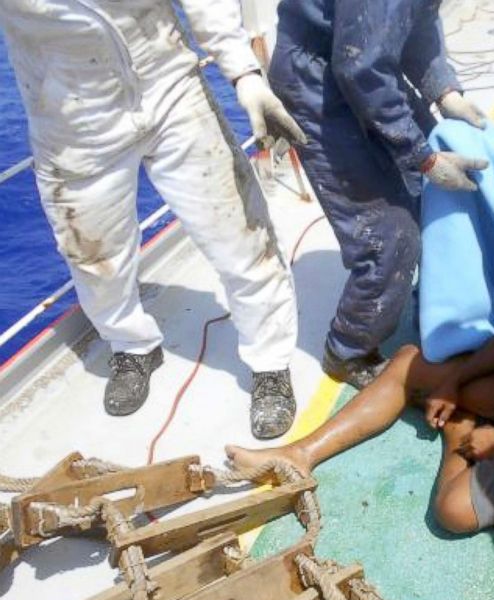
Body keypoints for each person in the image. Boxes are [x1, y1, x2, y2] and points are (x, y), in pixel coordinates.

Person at [226, 190, 494, 533]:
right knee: (410, 363)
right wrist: (455, 380)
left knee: (453, 513)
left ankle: (459, 431)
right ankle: (300, 454)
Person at [0, 0, 304, 439]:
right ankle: (131, 345)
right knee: (94, 259)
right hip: (71, 120)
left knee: (244, 237)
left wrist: (244, 74)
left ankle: (271, 363)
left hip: (170, 88)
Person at [267, 0, 490, 390]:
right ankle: (348, 349)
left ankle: (435, 302)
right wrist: (423, 156)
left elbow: (417, 19)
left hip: (362, 58)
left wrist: (444, 89)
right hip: (316, 83)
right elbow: (360, 68)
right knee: (390, 235)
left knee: (429, 198)